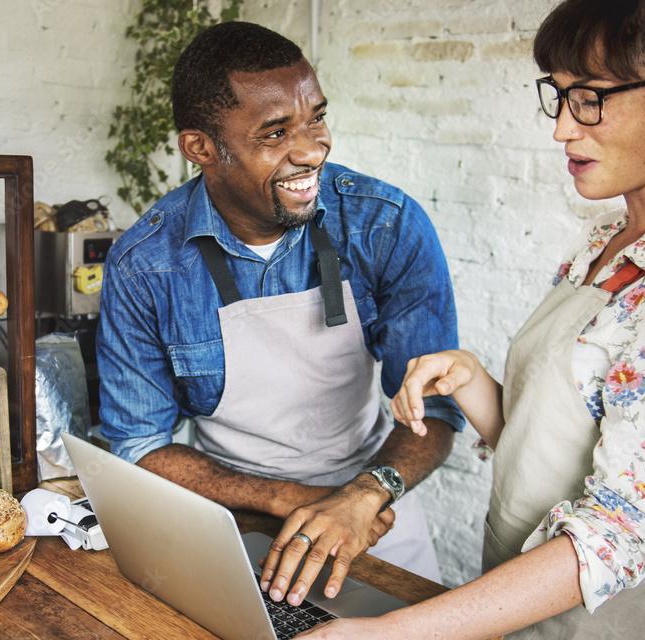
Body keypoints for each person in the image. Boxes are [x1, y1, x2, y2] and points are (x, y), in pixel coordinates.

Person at [246, 1, 645, 640]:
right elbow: (562, 435)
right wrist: (471, 379)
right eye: (560, 94)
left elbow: (615, 532)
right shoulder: (611, 234)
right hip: (523, 597)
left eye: (591, 100)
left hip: (615, 630)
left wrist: (392, 639)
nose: (561, 127)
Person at [96, 21, 464, 601]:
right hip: (233, 516)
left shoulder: (384, 224)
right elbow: (139, 446)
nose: (312, 149)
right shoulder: (146, 265)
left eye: (316, 117)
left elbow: (436, 409)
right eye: (275, 133)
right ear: (201, 149)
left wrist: (364, 494)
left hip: (376, 516)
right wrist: (283, 497)